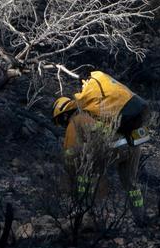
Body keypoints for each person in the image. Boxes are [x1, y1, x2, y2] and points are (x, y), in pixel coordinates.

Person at [51, 71, 151, 220]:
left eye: (60, 122)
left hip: (114, 148)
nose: (62, 126)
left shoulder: (76, 120)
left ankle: (84, 211)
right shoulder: (99, 111)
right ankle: (141, 217)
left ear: (65, 115)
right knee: (131, 183)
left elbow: (71, 152)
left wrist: (65, 165)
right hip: (132, 143)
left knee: (86, 174)